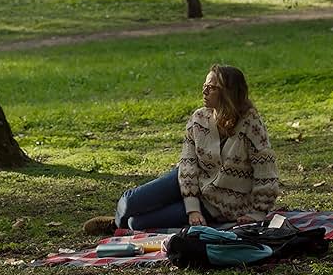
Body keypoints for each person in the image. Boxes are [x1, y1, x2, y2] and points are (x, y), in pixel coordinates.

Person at [83, 64, 280, 234]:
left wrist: (257, 212)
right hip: (189, 179)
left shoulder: (251, 126)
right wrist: (191, 208)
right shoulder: (199, 119)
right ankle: (116, 221)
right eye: (204, 86)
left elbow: (266, 174)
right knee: (130, 202)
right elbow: (187, 163)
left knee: (138, 223)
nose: (204, 91)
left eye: (211, 88)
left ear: (228, 92)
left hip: (219, 204)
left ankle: (119, 224)